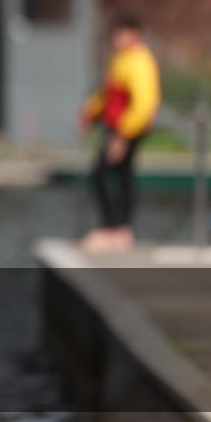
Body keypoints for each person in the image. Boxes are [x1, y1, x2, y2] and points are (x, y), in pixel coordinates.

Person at [79, 14, 160, 252]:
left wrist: (123, 136)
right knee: (119, 175)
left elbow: (144, 102)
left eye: (121, 33)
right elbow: (109, 95)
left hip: (128, 128)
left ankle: (115, 228)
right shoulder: (121, 60)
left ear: (133, 34)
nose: (116, 39)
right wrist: (90, 113)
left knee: (104, 172)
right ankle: (117, 229)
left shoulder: (140, 62)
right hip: (117, 127)